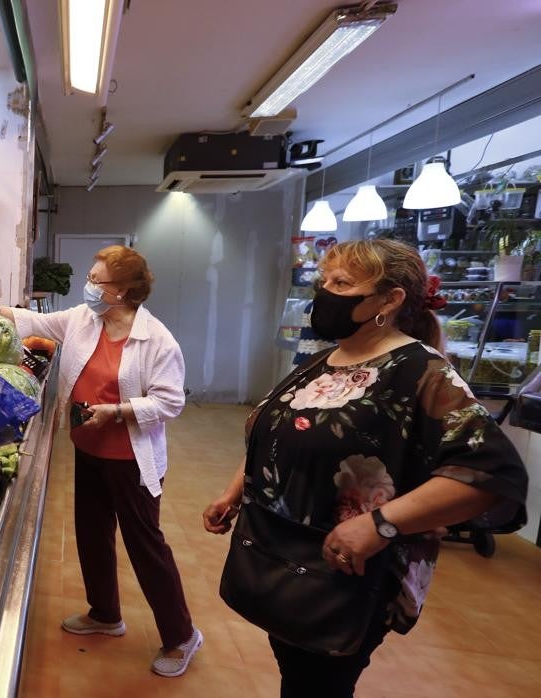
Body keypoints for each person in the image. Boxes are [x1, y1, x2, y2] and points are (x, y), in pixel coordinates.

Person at [202, 239, 528, 698]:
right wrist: (233, 491)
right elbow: (278, 431)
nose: (324, 292)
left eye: (341, 283)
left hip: (345, 577)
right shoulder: (325, 360)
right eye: (324, 280)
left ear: (389, 300)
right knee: (296, 672)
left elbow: (491, 474)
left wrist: (380, 524)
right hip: (283, 556)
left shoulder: (421, 372)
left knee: (317, 686)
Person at [0, 246, 203, 678]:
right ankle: (105, 614)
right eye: (90, 277)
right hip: (88, 449)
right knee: (92, 534)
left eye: (97, 281)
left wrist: (117, 412)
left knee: (145, 546)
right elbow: (32, 321)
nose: (89, 286)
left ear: (123, 291)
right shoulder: (84, 319)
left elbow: (169, 402)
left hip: (130, 459)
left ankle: (181, 635)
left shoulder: (157, 340)